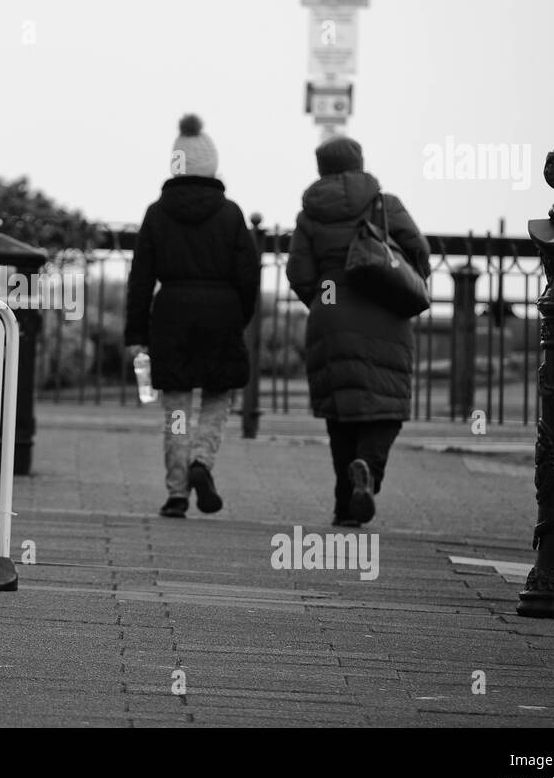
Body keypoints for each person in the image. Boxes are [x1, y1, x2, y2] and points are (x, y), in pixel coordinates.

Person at [285, 136, 431, 527]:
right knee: (387, 410)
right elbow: (417, 251)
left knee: (341, 416)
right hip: (383, 311)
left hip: (330, 316)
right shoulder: (384, 202)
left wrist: (324, 300)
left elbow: (299, 274)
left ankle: (343, 507)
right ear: (359, 162)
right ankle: (367, 469)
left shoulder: (309, 214)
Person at [125, 115, 261, 518]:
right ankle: (202, 460)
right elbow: (248, 276)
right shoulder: (231, 215)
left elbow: (140, 279)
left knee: (178, 409)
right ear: (212, 165)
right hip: (222, 315)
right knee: (219, 398)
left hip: (172, 316)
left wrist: (137, 332)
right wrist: (238, 317)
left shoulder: (156, 213)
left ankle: (177, 492)